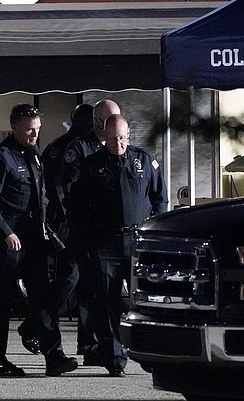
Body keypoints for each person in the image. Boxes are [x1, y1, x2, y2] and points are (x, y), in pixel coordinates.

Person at [0, 103, 78, 378]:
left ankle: (54, 357)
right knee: (1, 301)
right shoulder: (2, 157)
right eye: (29, 130)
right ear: (15, 127)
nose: (34, 135)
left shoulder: (33, 155)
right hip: (10, 236)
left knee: (42, 297)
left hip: (33, 236)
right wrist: (5, 232)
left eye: (37, 129)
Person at [67, 114, 168, 377]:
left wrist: (153, 232)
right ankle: (114, 359)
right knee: (107, 301)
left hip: (138, 241)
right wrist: (86, 240)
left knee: (147, 299)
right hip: (106, 243)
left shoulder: (144, 161)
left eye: (122, 138)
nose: (119, 143)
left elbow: (160, 199)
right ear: (105, 137)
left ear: (129, 134)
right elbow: (77, 207)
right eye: (113, 139)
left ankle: (152, 354)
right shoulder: (91, 166)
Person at [16, 103, 93, 354]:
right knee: (70, 277)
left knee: (82, 280)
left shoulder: (87, 145)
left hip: (83, 223)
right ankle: (35, 324)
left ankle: (87, 340)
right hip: (66, 223)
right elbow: (58, 191)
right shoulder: (62, 149)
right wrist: (64, 224)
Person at [61, 98, 121, 364]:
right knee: (76, 281)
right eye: (107, 121)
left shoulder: (122, 149)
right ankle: (86, 342)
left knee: (100, 290)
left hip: (111, 234)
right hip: (83, 230)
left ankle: (96, 344)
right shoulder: (80, 149)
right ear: (96, 122)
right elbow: (68, 189)